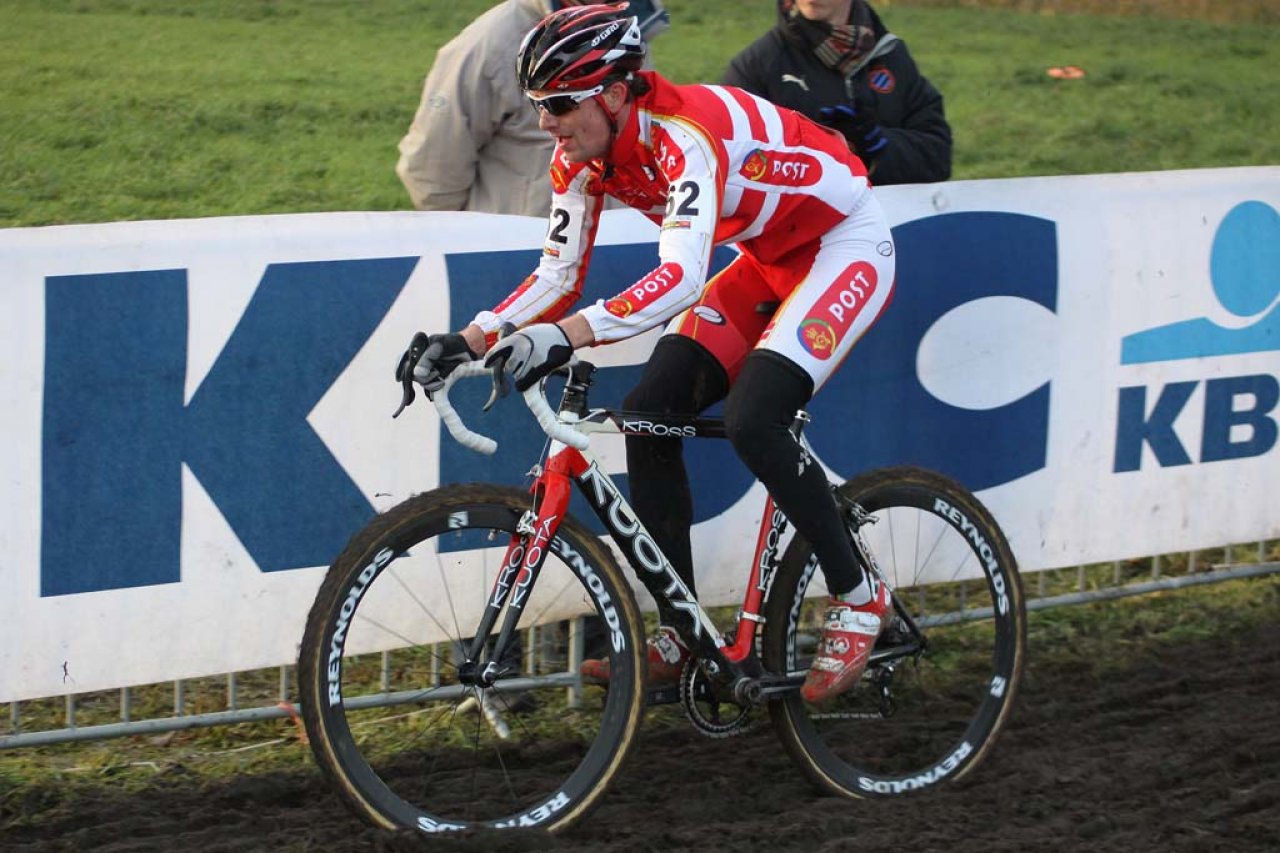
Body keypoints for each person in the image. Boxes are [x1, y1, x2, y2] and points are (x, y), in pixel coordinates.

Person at [401, 3, 896, 703]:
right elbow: (557, 273)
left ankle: (857, 591)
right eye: (538, 105)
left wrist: (567, 334)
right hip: (768, 256)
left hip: (843, 246)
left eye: (561, 104)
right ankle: (685, 628)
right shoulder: (580, 153)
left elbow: (679, 278)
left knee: (757, 416)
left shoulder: (684, 137)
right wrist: (472, 337)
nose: (547, 123)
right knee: (648, 413)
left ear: (610, 93)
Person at [395, 0, 669, 216]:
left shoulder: (628, 29)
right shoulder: (490, 42)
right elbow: (433, 169)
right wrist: (477, 254)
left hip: (618, 258)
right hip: (519, 262)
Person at [722, 0, 951, 185]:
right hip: (800, 236)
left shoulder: (891, 55)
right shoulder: (756, 66)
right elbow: (731, 165)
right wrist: (828, 153)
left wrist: (878, 149)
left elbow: (938, 158)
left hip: (891, 231)